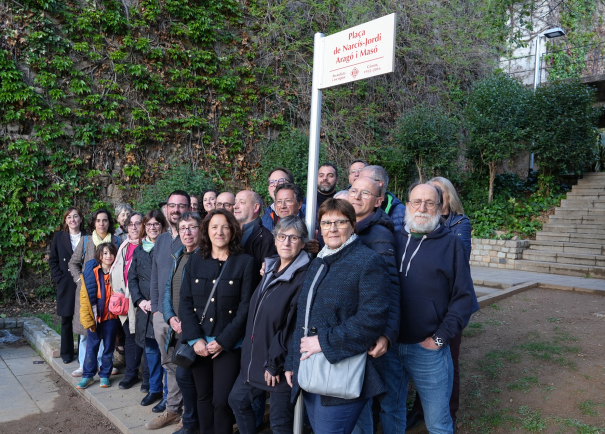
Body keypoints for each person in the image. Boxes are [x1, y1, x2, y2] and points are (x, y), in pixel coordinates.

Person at [285, 199, 391, 434]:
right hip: (311, 369)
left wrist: (323, 342)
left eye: (340, 222)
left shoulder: (367, 261)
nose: (332, 228)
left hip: (343, 372)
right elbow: (303, 317)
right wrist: (293, 362)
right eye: (326, 223)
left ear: (353, 225)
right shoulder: (320, 261)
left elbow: (372, 319)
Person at [380, 183, 476, 434]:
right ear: (407, 205)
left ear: (440, 207)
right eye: (416, 202)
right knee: (391, 410)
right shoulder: (392, 239)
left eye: (429, 203)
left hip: (428, 350)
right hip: (389, 345)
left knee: (437, 421)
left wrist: (440, 338)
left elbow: (464, 299)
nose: (422, 208)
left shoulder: (451, 245)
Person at [229, 216, 311, 434]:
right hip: (255, 357)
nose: (286, 242)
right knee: (237, 400)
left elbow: (292, 325)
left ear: (302, 243)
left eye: (293, 238)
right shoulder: (270, 268)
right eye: (282, 236)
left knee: (280, 423)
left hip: (279, 365)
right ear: (275, 240)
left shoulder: (303, 277)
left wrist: (274, 362)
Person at [179, 209, 256, 434]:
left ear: (232, 230)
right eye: (214, 227)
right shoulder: (194, 261)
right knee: (203, 397)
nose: (219, 232)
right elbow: (185, 302)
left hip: (229, 345)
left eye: (224, 227)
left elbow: (246, 308)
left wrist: (224, 340)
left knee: (221, 401)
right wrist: (195, 339)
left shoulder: (245, 262)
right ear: (206, 231)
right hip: (200, 343)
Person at [348, 177, 400, 434]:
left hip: (365, 332)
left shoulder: (378, 235)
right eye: (354, 191)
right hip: (347, 329)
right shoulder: (347, 227)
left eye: (365, 193)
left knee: (359, 406)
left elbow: (391, 287)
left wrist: (387, 334)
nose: (356, 197)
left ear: (379, 201)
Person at [147, 190, 189, 428]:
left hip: (185, 316)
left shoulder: (194, 238)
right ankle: (173, 409)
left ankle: (189, 414)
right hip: (162, 315)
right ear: (166, 209)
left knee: (186, 364)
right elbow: (155, 275)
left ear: (189, 208)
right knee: (168, 363)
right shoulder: (161, 240)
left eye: (181, 206)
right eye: (172, 206)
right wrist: (155, 310)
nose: (175, 210)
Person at [162, 211, 204, 434]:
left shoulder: (204, 257)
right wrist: (170, 317)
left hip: (195, 329)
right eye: (183, 228)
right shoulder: (178, 255)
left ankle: (189, 422)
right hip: (177, 328)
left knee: (186, 376)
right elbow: (168, 291)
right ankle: (189, 420)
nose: (187, 232)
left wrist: (187, 323)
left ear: (200, 229)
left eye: (192, 227)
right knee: (182, 374)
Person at [69, 209, 120, 377]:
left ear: (109, 223)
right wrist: (79, 280)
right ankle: (84, 365)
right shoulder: (86, 241)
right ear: (94, 222)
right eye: (98, 220)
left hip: (108, 295)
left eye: (105, 220)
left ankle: (103, 365)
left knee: (106, 332)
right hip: (88, 293)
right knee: (87, 331)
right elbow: (73, 263)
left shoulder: (116, 240)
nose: (101, 223)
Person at [129, 210, 168, 407]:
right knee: (151, 352)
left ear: (162, 226)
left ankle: (169, 397)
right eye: (149, 224)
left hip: (162, 308)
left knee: (166, 355)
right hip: (144, 309)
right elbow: (132, 278)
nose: (153, 227)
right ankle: (154, 389)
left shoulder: (169, 247)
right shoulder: (138, 250)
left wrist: (157, 302)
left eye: (156, 224)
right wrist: (139, 301)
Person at [110, 212, 148, 390]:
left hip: (141, 301)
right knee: (129, 337)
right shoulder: (124, 246)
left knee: (142, 339)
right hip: (124, 302)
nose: (133, 227)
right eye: (130, 224)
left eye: (138, 223)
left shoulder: (147, 247)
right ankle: (131, 374)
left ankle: (146, 380)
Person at [76, 242, 120, 389]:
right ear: (99, 256)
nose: (108, 256)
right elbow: (84, 298)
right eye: (105, 253)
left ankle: (105, 375)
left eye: (111, 253)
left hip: (111, 319)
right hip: (95, 318)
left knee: (108, 348)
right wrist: (87, 319)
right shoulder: (91, 273)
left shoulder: (117, 272)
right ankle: (88, 376)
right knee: (91, 347)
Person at [49, 207, 87, 364]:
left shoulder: (88, 237)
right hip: (66, 283)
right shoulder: (59, 237)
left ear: (80, 219)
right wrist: (59, 278)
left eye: (76, 216)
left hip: (83, 283)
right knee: (66, 319)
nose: (73, 220)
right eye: (69, 217)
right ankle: (66, 353)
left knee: (83, 319)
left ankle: (83, 354)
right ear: (65, 220)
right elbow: (53, 260)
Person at [233, 190, 277, 272]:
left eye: (242, 202)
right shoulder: (230, 232)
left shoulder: (266, 238)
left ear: (256, 207)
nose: (235, 206)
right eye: (235, 202)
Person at [360, 165, 406, 233]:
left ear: (378, 184)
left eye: (364, 181)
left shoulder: (402, 212)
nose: (358, 184)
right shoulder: (356, 206)